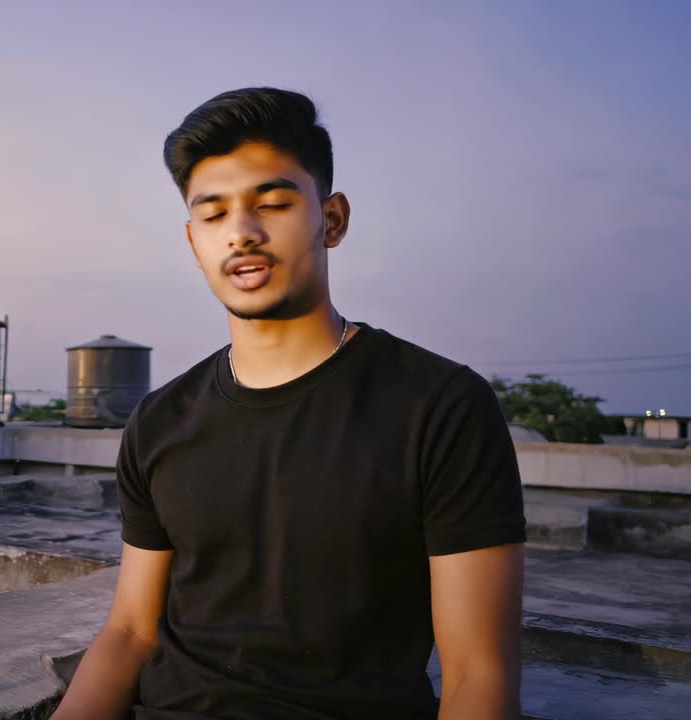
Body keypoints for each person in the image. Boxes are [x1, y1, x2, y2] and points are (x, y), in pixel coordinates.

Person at [50, 88, 526, 720]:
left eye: (272, 204)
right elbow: (130, 632)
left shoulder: (440, 406)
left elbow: (477, 675)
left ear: (332, 220)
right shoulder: (159, 420)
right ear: (194, 243)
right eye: (214, 216)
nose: (242, 233)